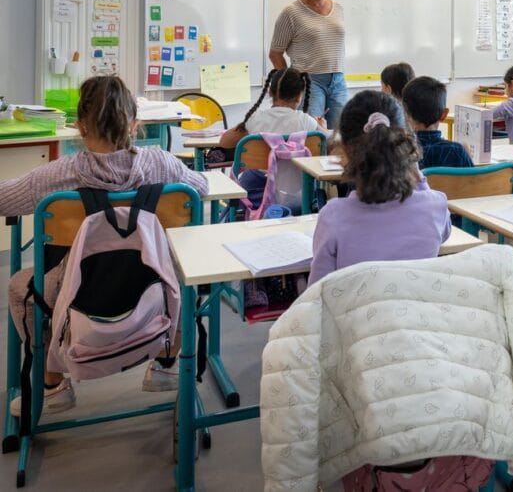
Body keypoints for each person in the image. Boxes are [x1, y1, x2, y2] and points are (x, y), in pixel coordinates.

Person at [2, 76, 209, 414]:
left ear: (80, 127)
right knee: (182, 270)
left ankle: (52, 384)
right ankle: (165, 363)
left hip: (76, 293)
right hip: (150, 287)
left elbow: (3, 200)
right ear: (135, 124)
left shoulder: (56, 176)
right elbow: (199, 188)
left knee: (19, 286)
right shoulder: (162, 164)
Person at [309, 91, 451, 285]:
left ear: (345, 150)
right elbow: (445, 233)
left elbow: (318, 292)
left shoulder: (333, 216)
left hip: (352, 315)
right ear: (403, 144)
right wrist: (417, 177)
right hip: (415, 312)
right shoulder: (436, 206)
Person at [218, 67, 324, 210]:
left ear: (270, 91)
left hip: (256, 196)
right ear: (299, 96)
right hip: (299, 197)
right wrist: (323, 126)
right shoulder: (308, 122)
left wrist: (245, 125)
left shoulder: (256, 119)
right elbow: (328, 141)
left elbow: (224, 141)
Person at [269, 0, 347, 129]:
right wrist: (291, 82)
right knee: (313, 133)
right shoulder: (291, 12)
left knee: (341, 134)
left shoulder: (338, 8)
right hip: (310, 81)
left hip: (338, 80)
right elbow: (275, 53)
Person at [401, 75, 473, 170]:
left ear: (406, 115)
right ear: (444, 115)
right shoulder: (457, 151)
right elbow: (473, 182)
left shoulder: (400, 152)